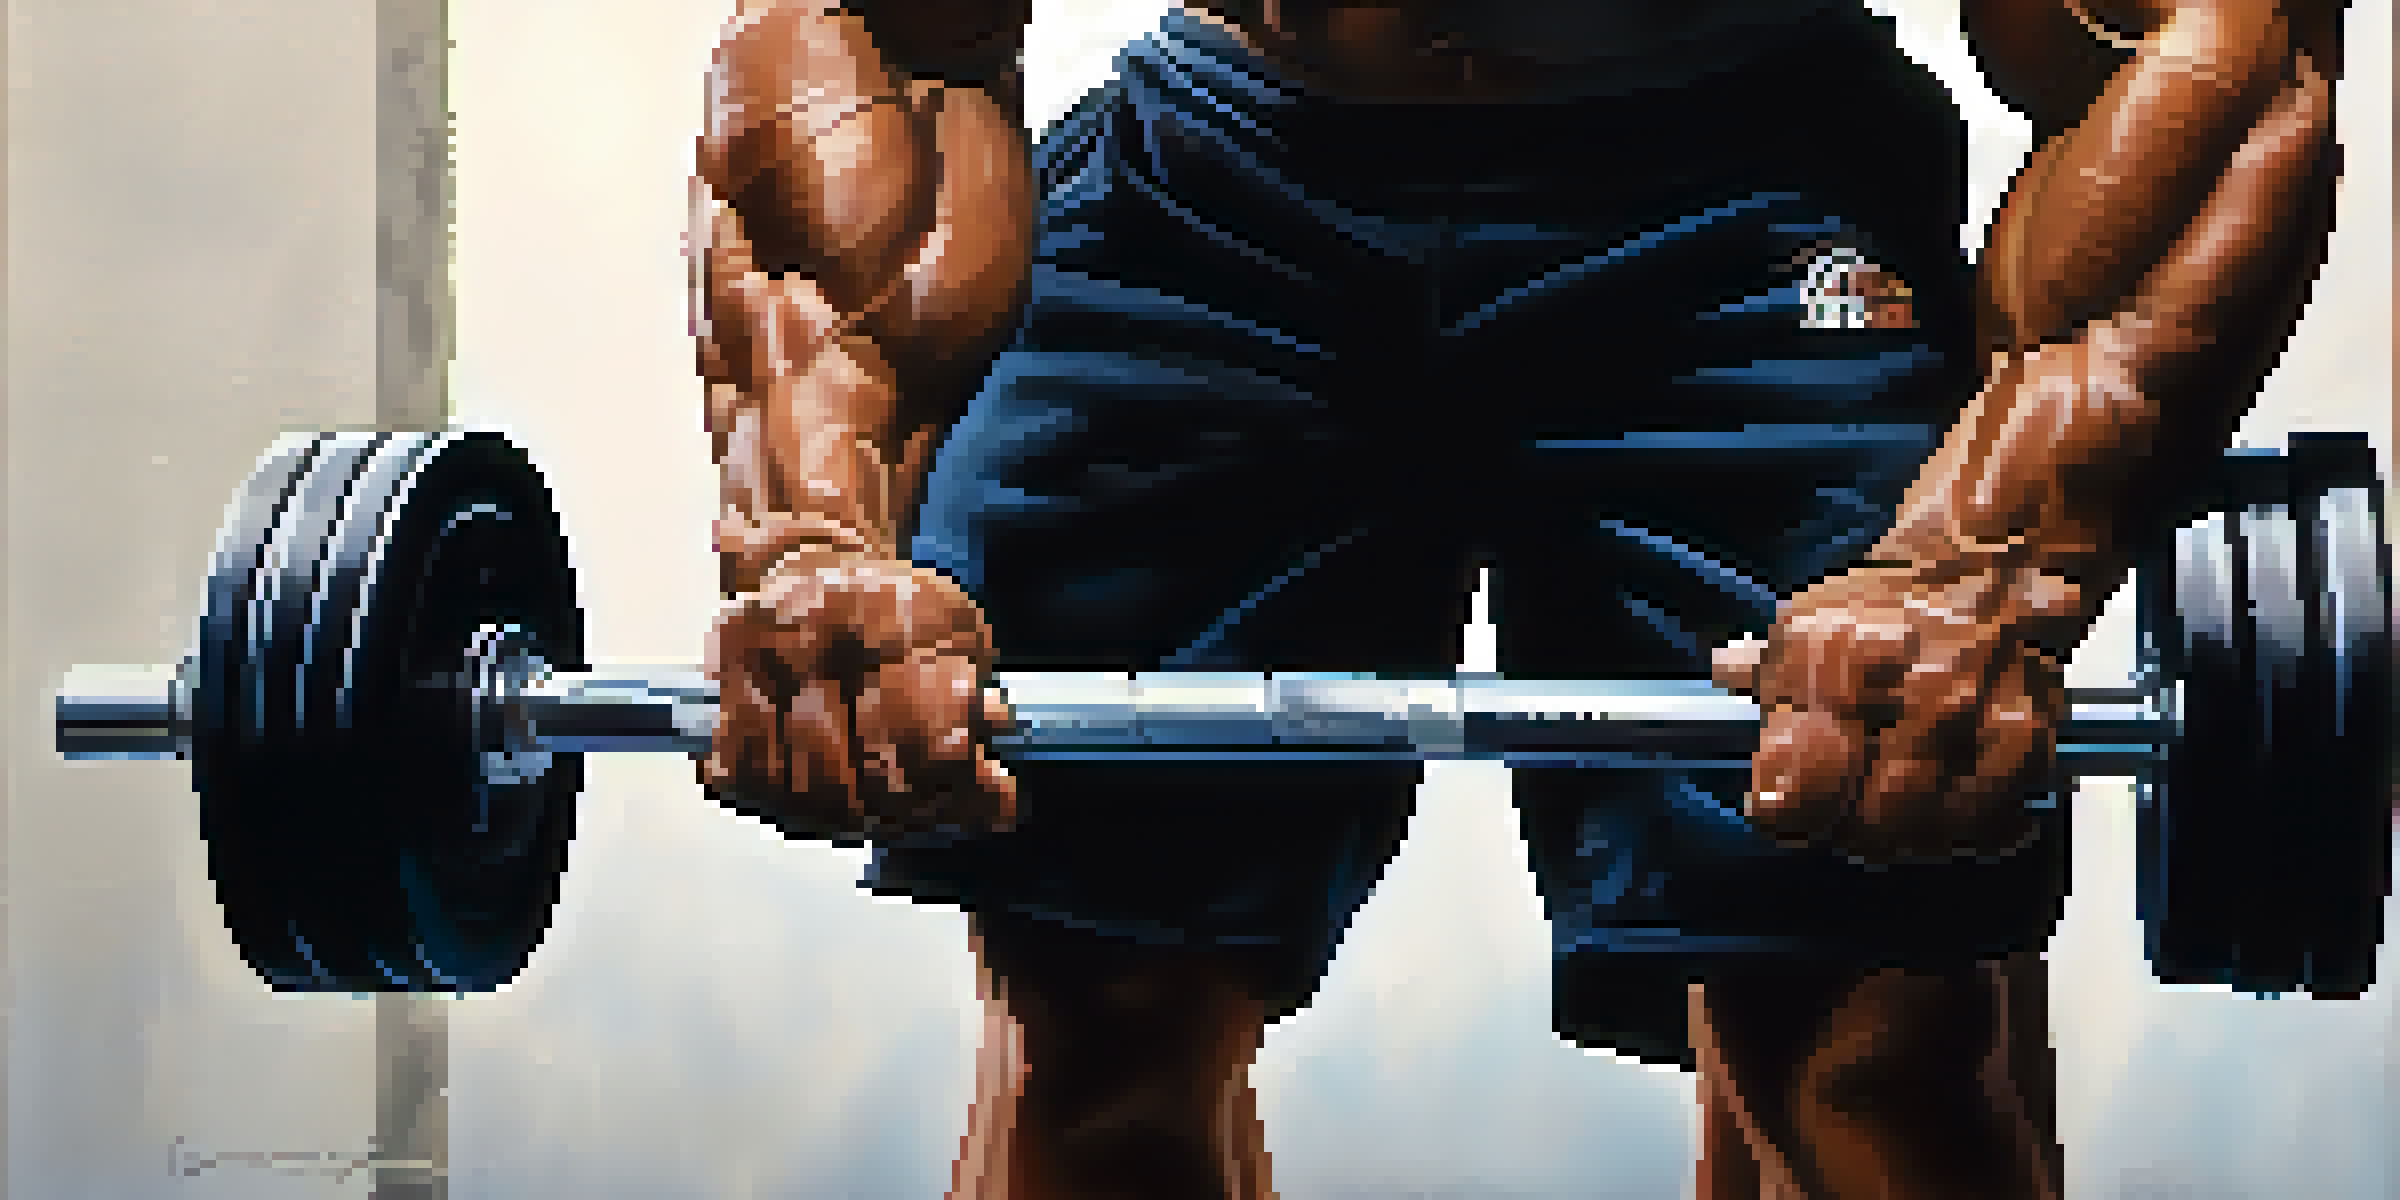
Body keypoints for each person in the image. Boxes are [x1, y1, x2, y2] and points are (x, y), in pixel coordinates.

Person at [689, 0, 2343, 1195]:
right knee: (1097, 1032)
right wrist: (814, 534)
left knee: (1871, 1050)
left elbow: (2194, 35)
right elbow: (877, 28)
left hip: (1744, 207)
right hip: (1216, 199)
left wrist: (1987, 559)